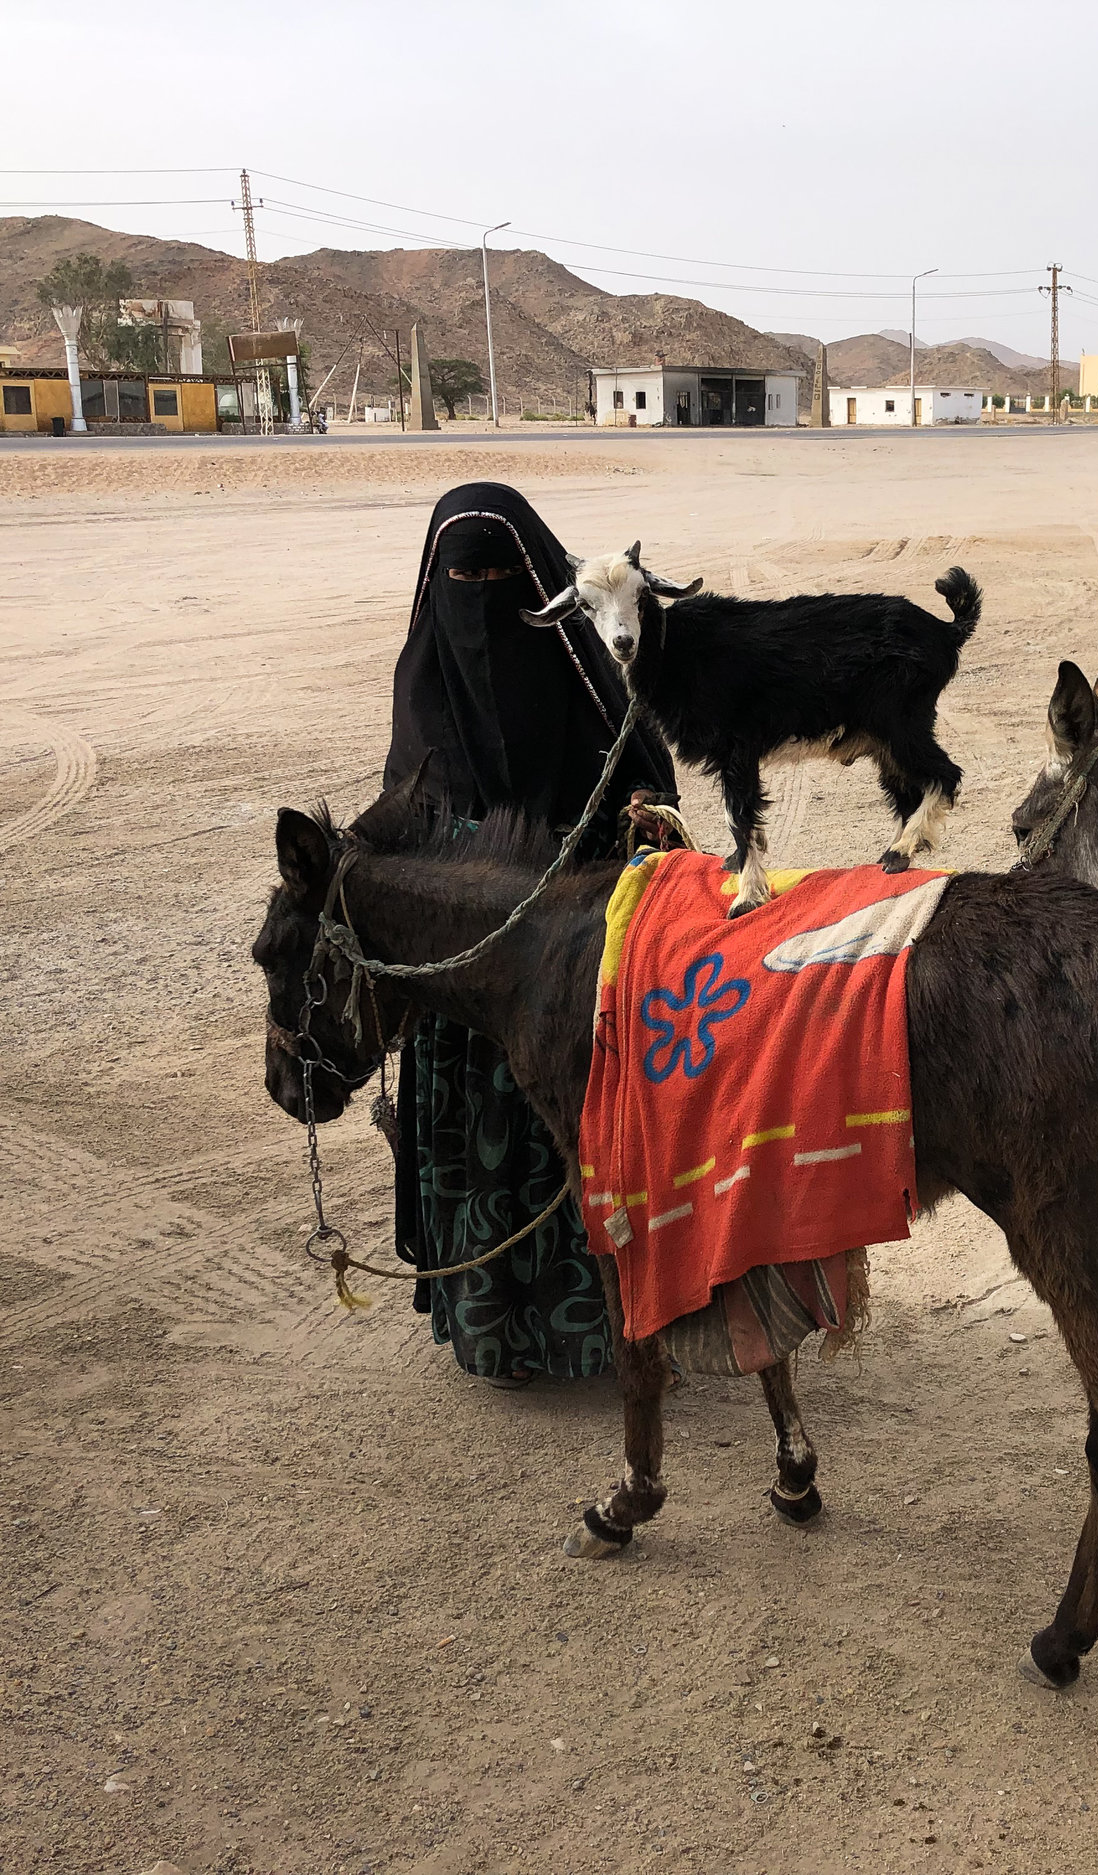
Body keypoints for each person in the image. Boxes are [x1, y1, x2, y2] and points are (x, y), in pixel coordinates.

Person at [382, 483, 676, 1386]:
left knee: (583, 1132)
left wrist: (633, 816)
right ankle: (496, 1334)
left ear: (541, 585)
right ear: (438, 588)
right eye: (463, 578)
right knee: (479, 1146)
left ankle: (609, 1327)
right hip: (464, 979)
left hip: (571, 965)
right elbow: (404, 823)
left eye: (501, 579)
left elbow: (648, 780)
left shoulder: (595, 691)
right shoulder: (422, 696)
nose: (480, 601)